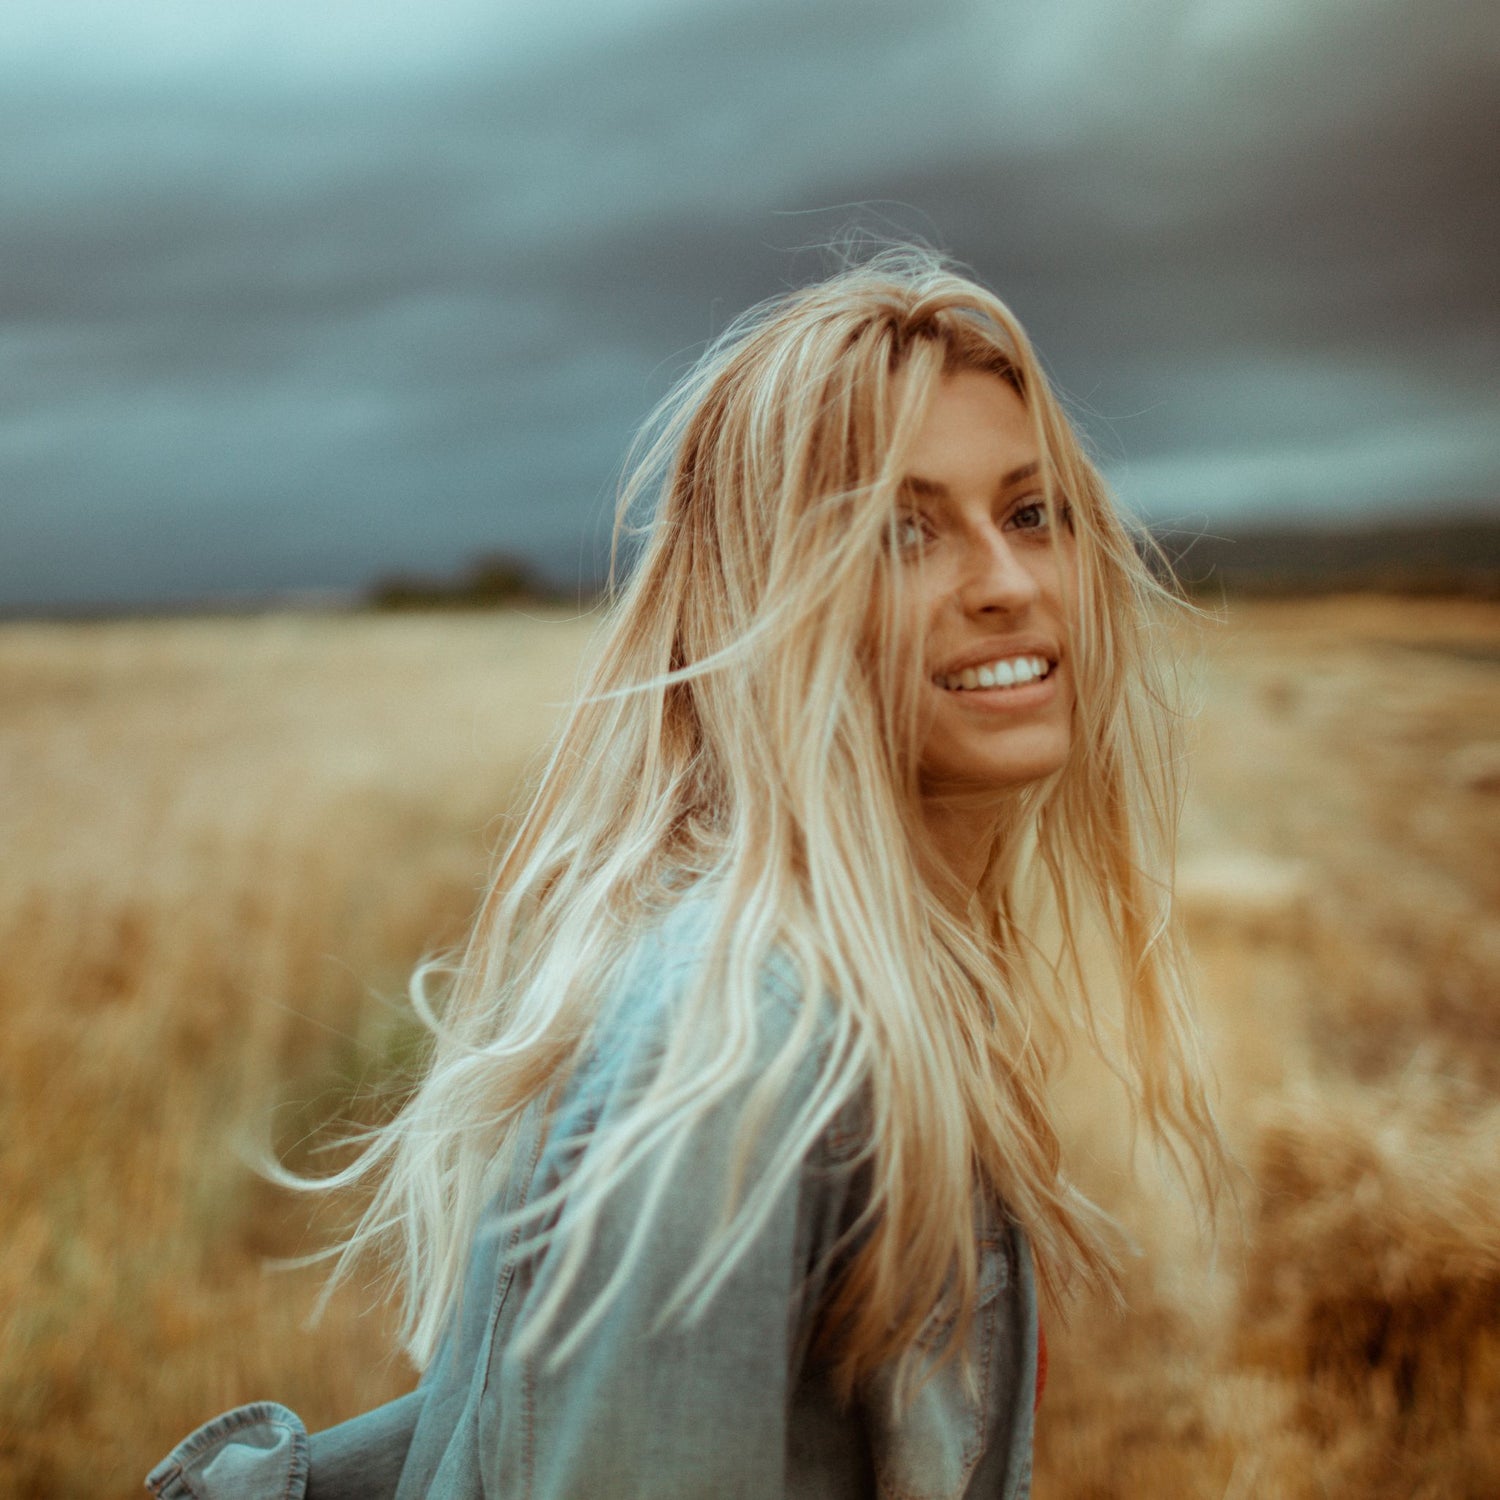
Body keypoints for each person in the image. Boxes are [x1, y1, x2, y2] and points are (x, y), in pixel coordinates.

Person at [146, 246, 1223, 1499]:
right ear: (762, 607)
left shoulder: (875, 984)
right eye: (899, 532)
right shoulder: (751, 1046)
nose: (1007, 582)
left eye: (1032, 513)